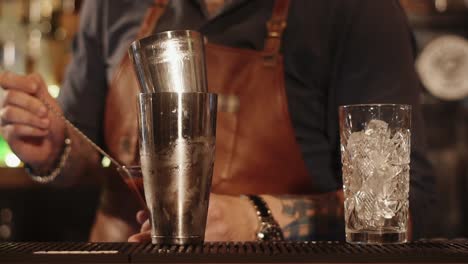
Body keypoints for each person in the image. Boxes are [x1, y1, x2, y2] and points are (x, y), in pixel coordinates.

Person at [0, 0, 435, 242]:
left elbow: (403, 205)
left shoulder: (358, 11)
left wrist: (256, 218)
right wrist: (56, 149)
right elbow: (85, 154)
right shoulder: (113, 4)